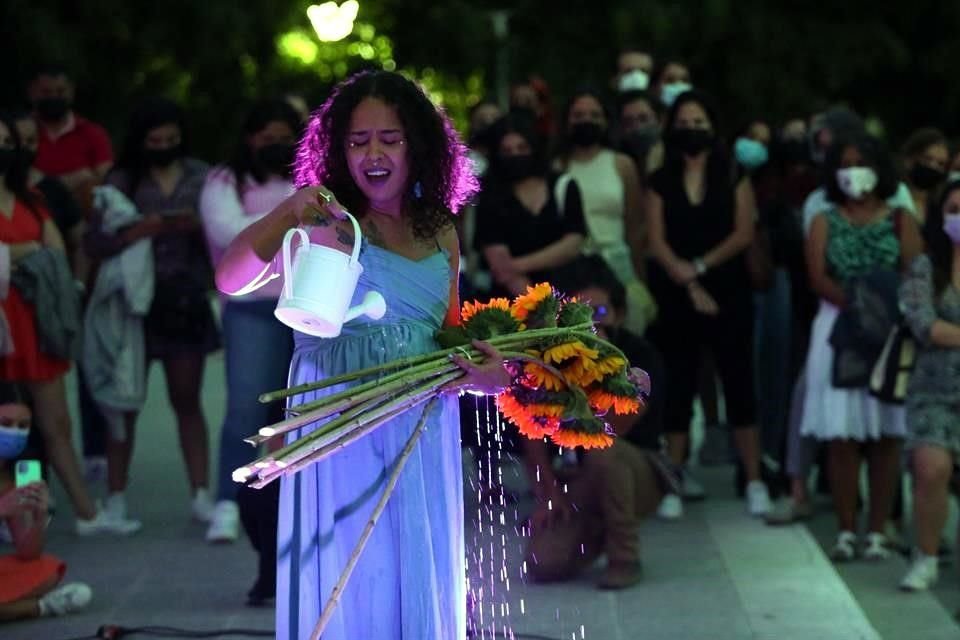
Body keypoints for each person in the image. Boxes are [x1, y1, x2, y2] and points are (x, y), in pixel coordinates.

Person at [215, 70, 506, 640]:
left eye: (389, 139)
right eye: (357, 141)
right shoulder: (325, 222)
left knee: (413, 569)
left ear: (417, 145)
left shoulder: (441, 230)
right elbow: (228, 279)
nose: (373, 153)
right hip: (338, 421)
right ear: (337, 150)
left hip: (421, 429)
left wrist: (488, 376)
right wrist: (286, 212)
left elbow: (447, 339)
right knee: (349, 574)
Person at [0, 112, 130, 535]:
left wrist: (16, 253)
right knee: (12, 431)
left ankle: (81, 514)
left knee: (52, 426)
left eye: (7, 142)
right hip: (5, 327)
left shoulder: (32, 199)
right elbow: (39, 250)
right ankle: (21, 517)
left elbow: (54, 252)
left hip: (37, 326)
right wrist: (25, 250)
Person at [88, 98, 217, 525]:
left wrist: (195, 226)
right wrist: (139, 229)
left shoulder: (203, 176)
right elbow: (94, 243)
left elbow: (223, 236)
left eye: (171, 139)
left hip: (185, 299)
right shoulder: (121, 179)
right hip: (131, 305)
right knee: (123, 405)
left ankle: (201, 494)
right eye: (155, 140)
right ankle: (115, 498)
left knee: (187, 399)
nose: (163, 146)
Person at [644, 89, 771, 519]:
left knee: (738, 382)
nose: (692, 130)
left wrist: (698, 267)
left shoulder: (733, 173)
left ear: (713, 128)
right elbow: (655, 239)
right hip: (675, 293)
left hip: (728, 290)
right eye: (685, 123)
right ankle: (675, 480)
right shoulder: (659, 180)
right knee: (678, 384)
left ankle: (753, 479)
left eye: (700, 123)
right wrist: (683, 275)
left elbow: (743, 233)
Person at [799, 131, 923, 561]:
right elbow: (816, 275)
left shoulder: (900, 218)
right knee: (842, 435)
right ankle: (846, 530)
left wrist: (886, 311)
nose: (854, 173)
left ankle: (879, 531)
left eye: (862, 162)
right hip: (839, 328)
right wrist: (856, 307)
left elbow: (913, 270)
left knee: (886, 432)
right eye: (845, 164)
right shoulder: (823, 219)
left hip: (891, 329)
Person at [523, 256, 672, 590]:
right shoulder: (548, 361)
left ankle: (625, 556)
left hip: (636, 469)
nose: (591, 325)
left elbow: (613, 430)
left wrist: (597, 366)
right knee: (543, 563)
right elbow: (531, 433)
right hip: (577, 476)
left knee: (603, 453)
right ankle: (594, 529)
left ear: (618, 314)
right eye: (580, 315)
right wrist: (549, 494)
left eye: (600, 313)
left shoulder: (641, 357)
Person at [199, 98, 301, 546]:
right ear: (249, 139)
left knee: (299, 408)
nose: (275, 144)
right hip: (251, 310)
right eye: (266, 137)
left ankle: (291, 497)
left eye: (284, 136)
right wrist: (290, 217)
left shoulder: (310, 177)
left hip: (306, 308)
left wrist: (266, 225)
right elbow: (227, 231)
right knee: (245, 406)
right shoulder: (224, 179)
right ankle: (227, 501)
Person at [897, 180, 960, 590]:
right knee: (931, 467)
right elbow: (924, 325)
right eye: (954, 208)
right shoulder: (924, 266)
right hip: (933, 391)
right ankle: (927, 555)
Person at [555, 89, 654, 336]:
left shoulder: (622, 164)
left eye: (594, 114)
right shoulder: (557, 167)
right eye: (578, 114)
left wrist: (641, 279)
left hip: (620, 270)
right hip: (573, 275)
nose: (586, 120)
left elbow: (636, 225)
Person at [0, 382, 93, 622]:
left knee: (46, 569)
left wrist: (39, 517)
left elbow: (28, 552)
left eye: (23, 426)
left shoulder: (16, 472)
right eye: (6, 424)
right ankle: (39, 608)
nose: (15, 433)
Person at [474, 114, 586, 297]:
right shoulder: (490, 197)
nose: (515, 155)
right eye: (507, 151)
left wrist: (517, 265)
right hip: (511, 303)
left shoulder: (563, 186)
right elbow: (498, 261)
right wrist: (537, 308)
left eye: (522, 148)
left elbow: (573, 244)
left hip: (570, 293)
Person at [27, 65, 113, 197]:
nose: (54, 97)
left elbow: (106, 180)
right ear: (32, 92)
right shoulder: (20, 133)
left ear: (71, 92)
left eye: (60, 91)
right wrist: (72, 179)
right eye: (46, 92)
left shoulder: (93, 133)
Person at [900, 128, 949, 225]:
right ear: (909, 160)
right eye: (927, 159)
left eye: (941, 164)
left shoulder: (942, 209)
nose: (933, 167)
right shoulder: (891, 199)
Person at [617, 89, 664, 179]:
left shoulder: (678, 159)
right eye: (629, 122)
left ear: (660, 121)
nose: (637, 127)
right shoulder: (618, 165)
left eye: (644, 119)